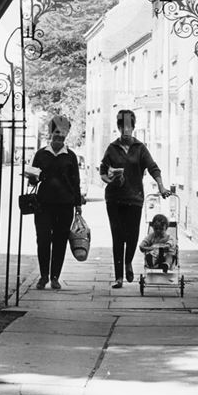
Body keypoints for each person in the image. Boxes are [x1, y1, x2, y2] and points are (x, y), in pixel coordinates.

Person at [99, 109, 170, 288]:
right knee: (117, 237)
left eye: (129, 127)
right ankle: (118, 277)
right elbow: (102, 172)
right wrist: (112, 179)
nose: (126, 130)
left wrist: (161, 186)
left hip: (134, 198)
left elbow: (153, 168)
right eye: (122, 127)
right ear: (119, 127)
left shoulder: (140, 148)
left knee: (132, 236)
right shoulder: (112, 148)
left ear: (133, 127)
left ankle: (128, 262)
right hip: (114, 199)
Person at [25, 114, 84, 291]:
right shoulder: (41, 154)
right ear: (51, 134)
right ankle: (43, 276)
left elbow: (76, 182)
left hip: (65, 205)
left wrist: (78, 205)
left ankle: (55, 277)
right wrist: (34, 177)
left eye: (63, 135)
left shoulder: (70, 156)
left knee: (60, 241)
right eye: (56, 134)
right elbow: (32, 181)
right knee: (42, 240)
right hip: (43, 205)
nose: (59, 137)